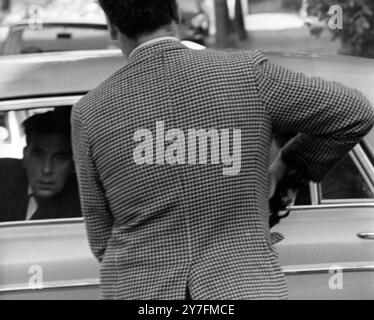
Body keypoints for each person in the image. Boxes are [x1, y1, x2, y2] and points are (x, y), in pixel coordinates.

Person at [71, 0, 374, 300]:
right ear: (176, 14)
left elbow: (101, 240)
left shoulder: (90, 112)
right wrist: (285, 167)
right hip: (242, 288)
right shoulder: (247, 75)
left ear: (112, 27)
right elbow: (354, 112)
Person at [0, 109, 81, 222]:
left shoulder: (80, 206)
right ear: (25, 157)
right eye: (38, 155)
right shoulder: (4, 176)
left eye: (59, 158)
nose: (47, 169)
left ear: (73, 165)